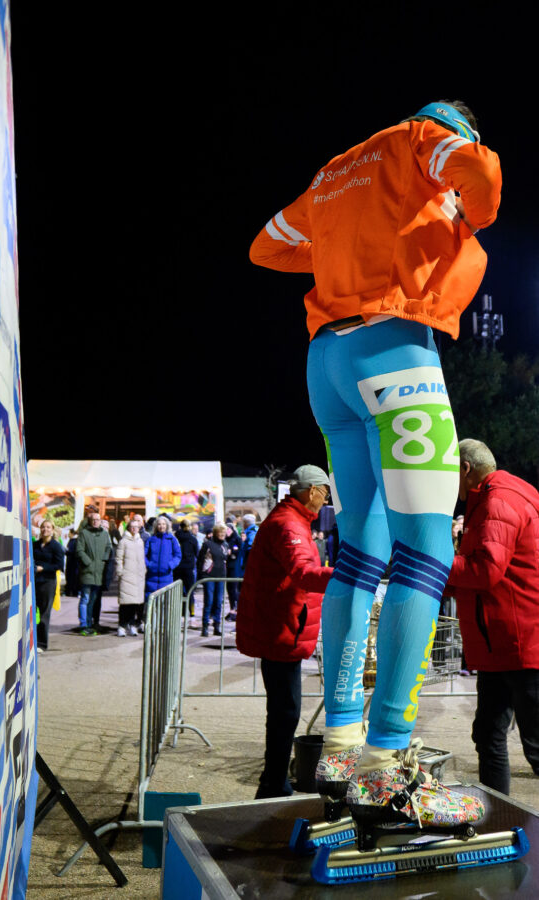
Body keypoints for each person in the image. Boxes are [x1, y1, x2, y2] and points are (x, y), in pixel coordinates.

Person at [251, 100, 501, 827]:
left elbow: (267, 245)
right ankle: (388, 766)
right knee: (425, 548)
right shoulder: (423, 142)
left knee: (358, 554)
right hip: (393, 343)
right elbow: (481, 174)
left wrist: (341, 244)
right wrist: (463, 210)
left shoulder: (336, 171)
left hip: (325, 360)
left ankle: (341, 746)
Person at [445, 439, 539, 795]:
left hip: (516, 640)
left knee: (532, 744)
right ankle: (496, 819)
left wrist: (437, 567)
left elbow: (485, 571)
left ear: (465, 469)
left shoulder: (497, 500)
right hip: (503, 641)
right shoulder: (501, 495)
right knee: (488, 734)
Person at [236, 466, 335, 798]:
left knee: (285, 709)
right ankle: (272, 786)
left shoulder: (292, 521)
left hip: (282, 629)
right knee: (285, 711)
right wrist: (344, 577)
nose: (326, 499)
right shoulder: (288, 524)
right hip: (280, 631)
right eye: (324, 491)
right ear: (310, 492)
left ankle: (274, 781)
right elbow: (303, 572)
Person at [75, 511, 112, 635]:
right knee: (85, 598)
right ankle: (83, 624)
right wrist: (88, 563)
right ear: (90, 521)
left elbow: (109, 548)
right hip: (87, 572)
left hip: (99, 573)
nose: (96, 521)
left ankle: (89, 623)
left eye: (98, 519)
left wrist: (103, 561)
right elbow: (79, 550)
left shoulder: (105, 534)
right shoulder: (84, 533)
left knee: (92, 600)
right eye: (94, 519)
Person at [32, 520, 65, 652]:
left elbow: (59, 565)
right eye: (43, 527)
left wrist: (42, 568)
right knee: (32, 613)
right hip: (34, 582)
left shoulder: (56, 546)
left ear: (52, 530)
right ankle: (31, 641)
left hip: (47, 582)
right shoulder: (35, 545)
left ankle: (41, 644)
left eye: (48, 527)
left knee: (44, 614)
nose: (45, 529)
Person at [144, 516, 181, 626]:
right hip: (152, 576)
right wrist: (149, 565)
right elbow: (144, 554)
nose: (161, 526)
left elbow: (178, 555)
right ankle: (151, 626)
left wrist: (170, 565)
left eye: (163, 524)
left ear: (167, 526)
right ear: (156, 526)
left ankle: (163, 625)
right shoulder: (151, 539)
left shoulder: (172, 539)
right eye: (159, 524)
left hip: (166, 576)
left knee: (165, 603)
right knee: (151, 603)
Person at [115, 515, 147, 636]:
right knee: (125, 604)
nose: (134, 529)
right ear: (128, 528)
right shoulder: (123, 541)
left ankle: (132, 625)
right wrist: (120, 572)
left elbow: (142, 559)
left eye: (136, 527)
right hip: (127, 576)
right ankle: (122, 626)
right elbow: (119, 558)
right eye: (132, 527)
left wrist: (143, 570)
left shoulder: (140, 541)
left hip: (138, 576)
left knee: (135, 604)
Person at [197, 525, 229, 637]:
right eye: (220, 532)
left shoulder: (225, 545)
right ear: (216, 533)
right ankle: (205, 626)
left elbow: (226, 560)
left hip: (221, 576)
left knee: (218, 602)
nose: (222, 535)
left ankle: (217, 626)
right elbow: (200, 559)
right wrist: (201, 575)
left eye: (224, 533)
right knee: (209, 601)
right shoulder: (207, 544)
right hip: (209, 576)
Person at [229, 514, 259, 620]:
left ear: (246, 523)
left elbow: (250, 551)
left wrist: (246, 566)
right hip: (245, 570)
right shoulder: (254, 532)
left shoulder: (251, 534)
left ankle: (244, 619)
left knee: (244, 595)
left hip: (245, 571)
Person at [173, 519, 199, 617]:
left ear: (180, 526)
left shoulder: (175, 538)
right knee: (190, 591)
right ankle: (191, 611)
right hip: (188, 568)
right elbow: (196, 553)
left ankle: (179, 610)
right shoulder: (193, 539)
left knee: (177, 591)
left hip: (177, 568)